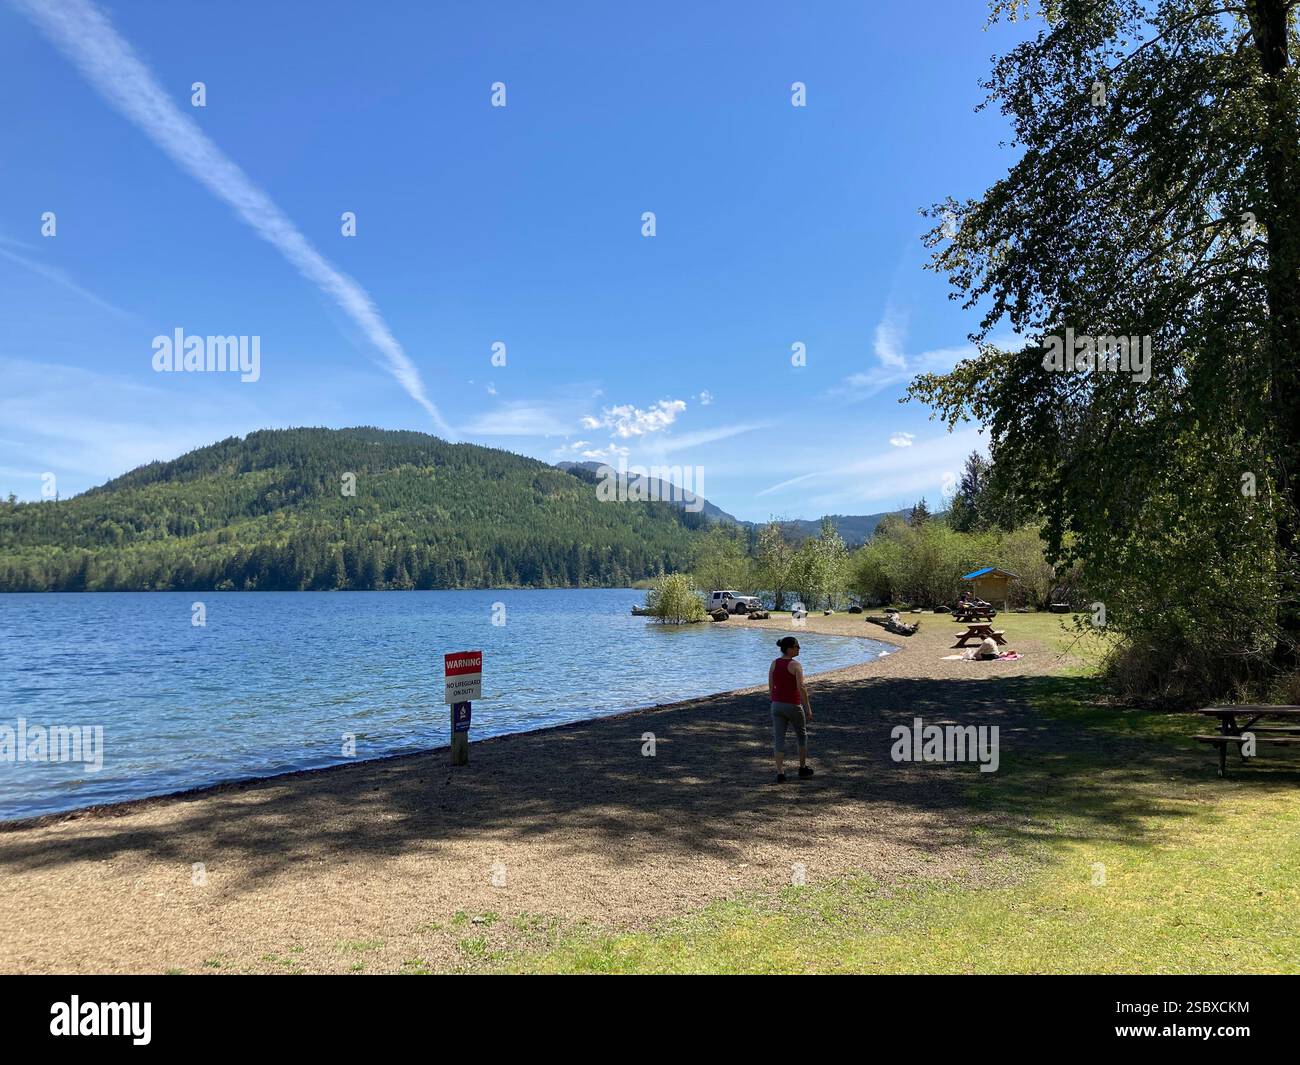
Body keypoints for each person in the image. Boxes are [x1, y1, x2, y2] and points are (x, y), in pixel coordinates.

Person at [768, 636, 814, 782]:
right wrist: (808, 709)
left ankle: (780, 773)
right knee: (801, 735)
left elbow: (770, 686)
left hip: (776, 705)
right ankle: (802, 767)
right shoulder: (796, 665)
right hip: (793, 705)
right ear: (789, 648)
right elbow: (801, 688)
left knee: (779, 738)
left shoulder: (774, 663)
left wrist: (774, 700)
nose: (799, 648)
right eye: (796, 646)